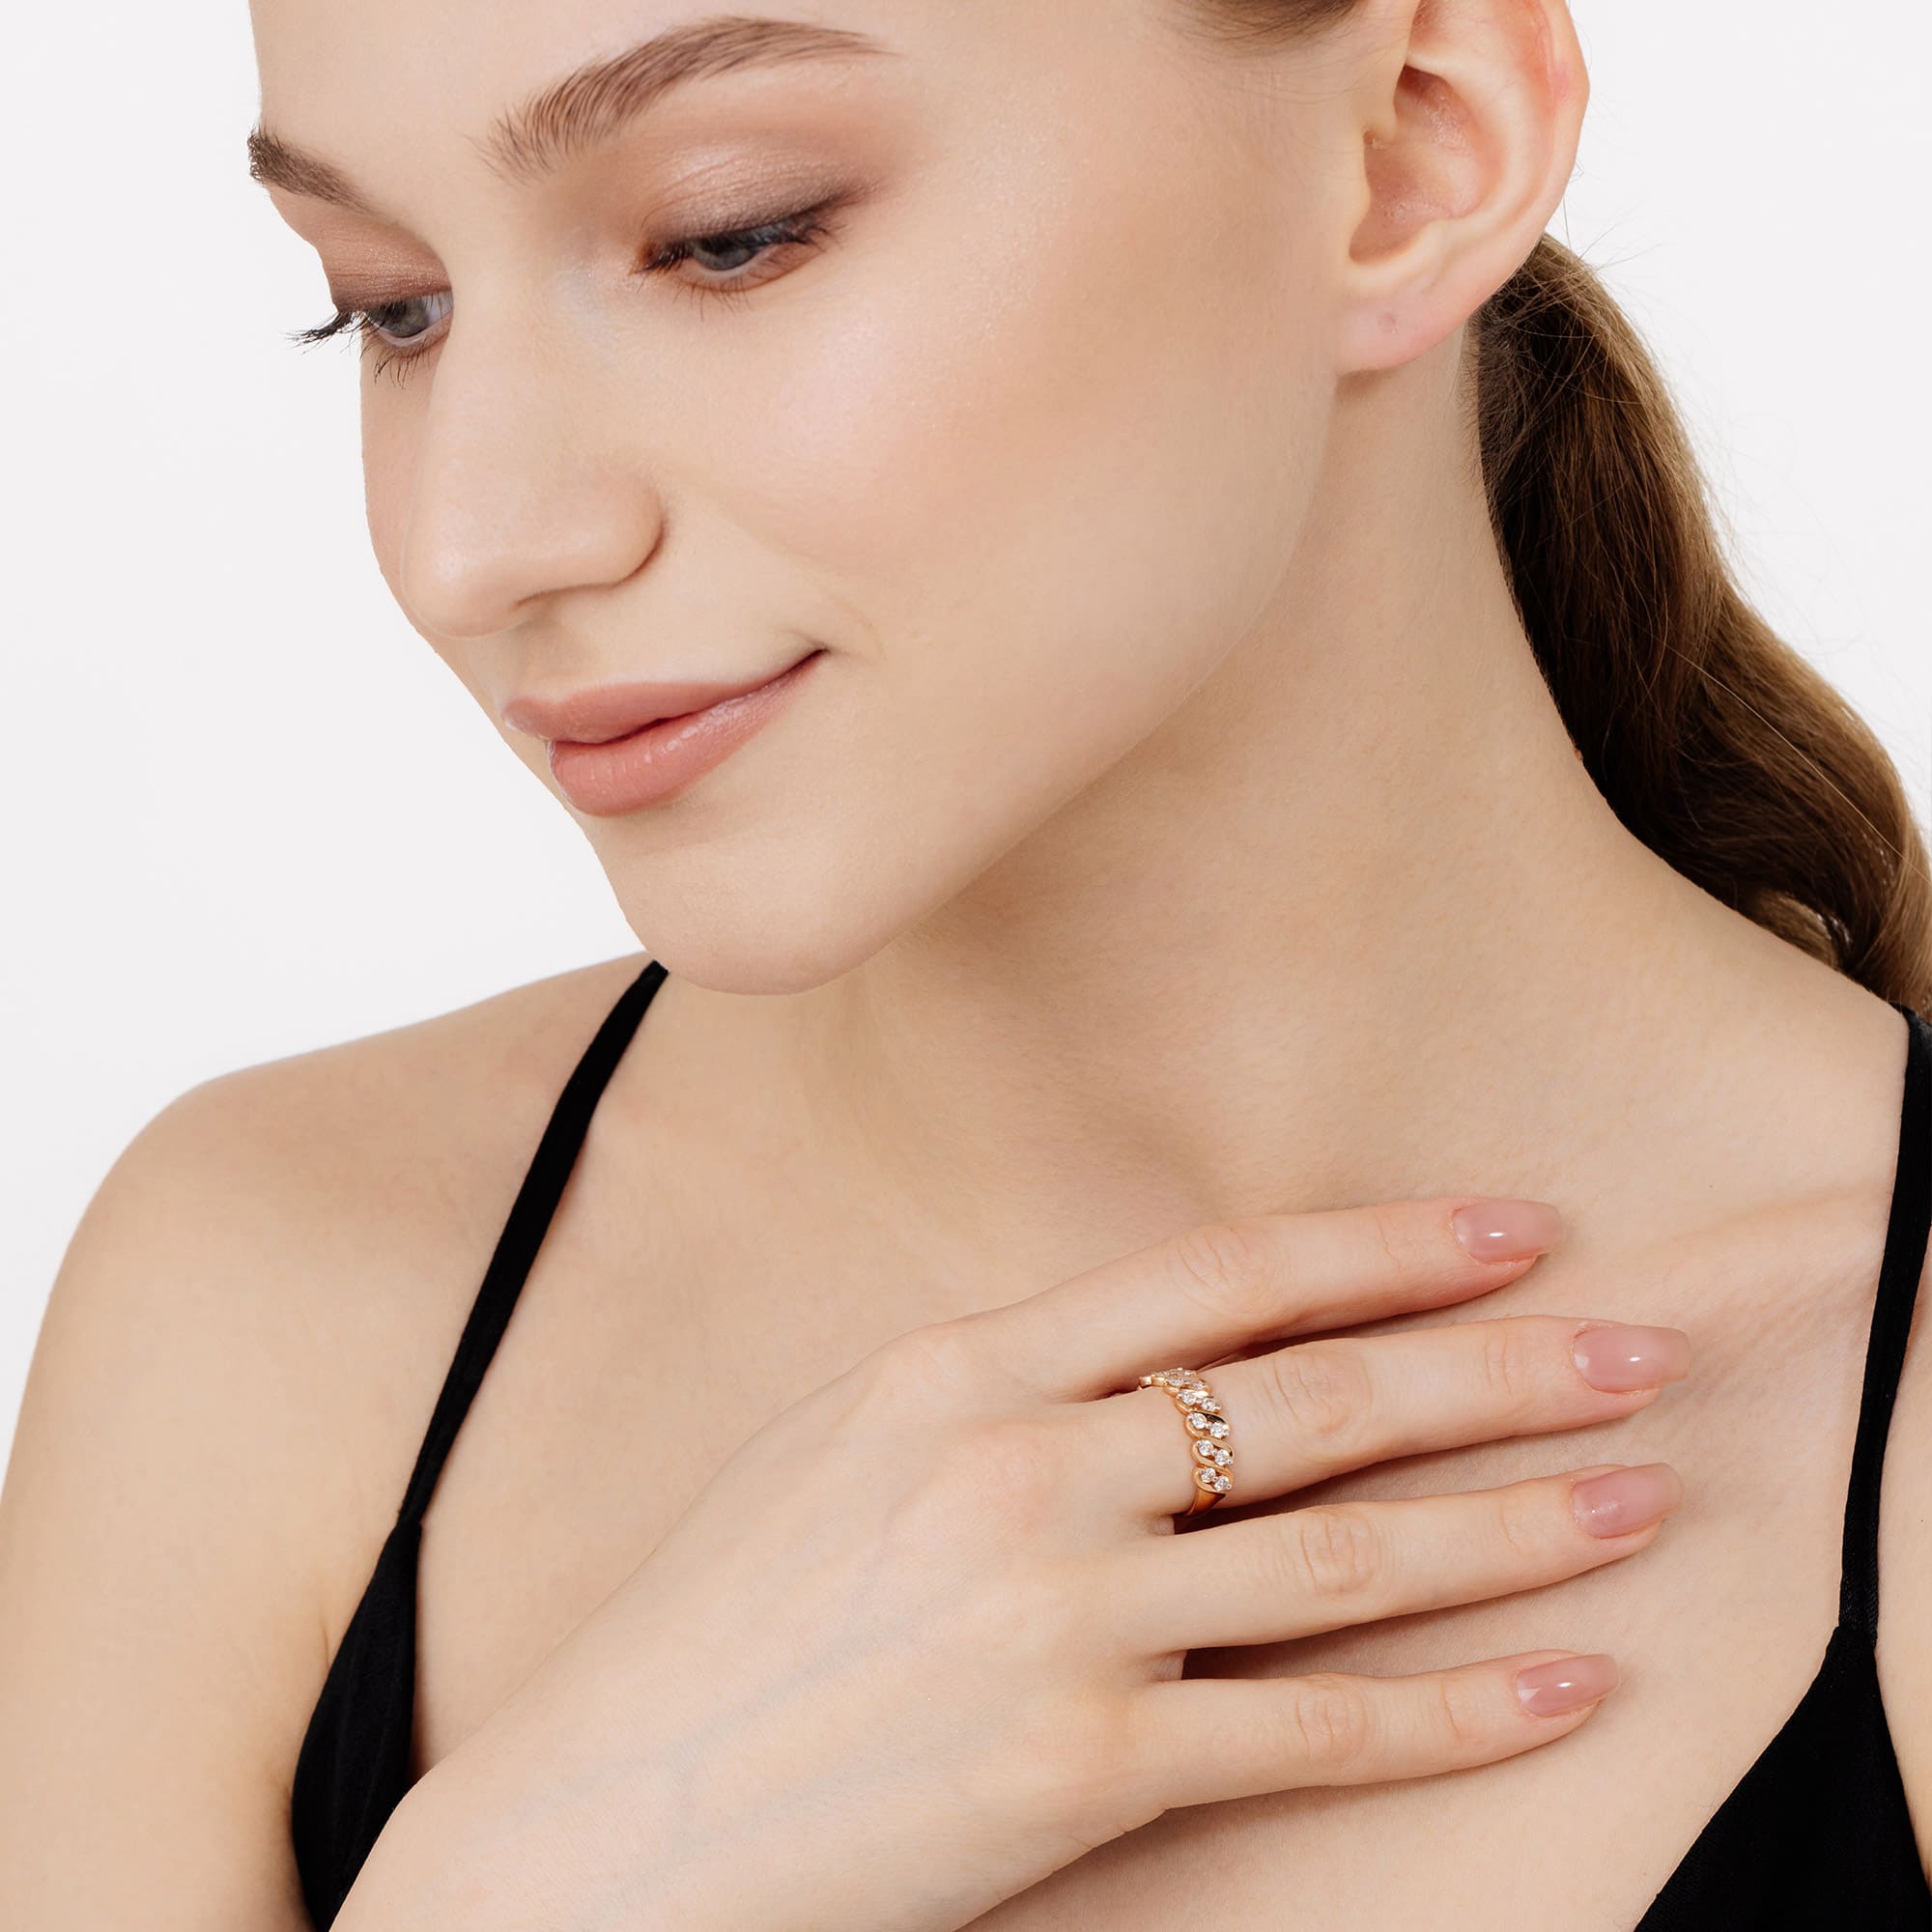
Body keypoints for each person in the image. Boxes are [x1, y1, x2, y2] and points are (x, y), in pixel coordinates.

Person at [2, 0, 1927, 1926]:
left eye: (729, 234)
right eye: (393, 306)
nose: (471, 544)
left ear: (1414, 150)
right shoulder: (269, 1306)